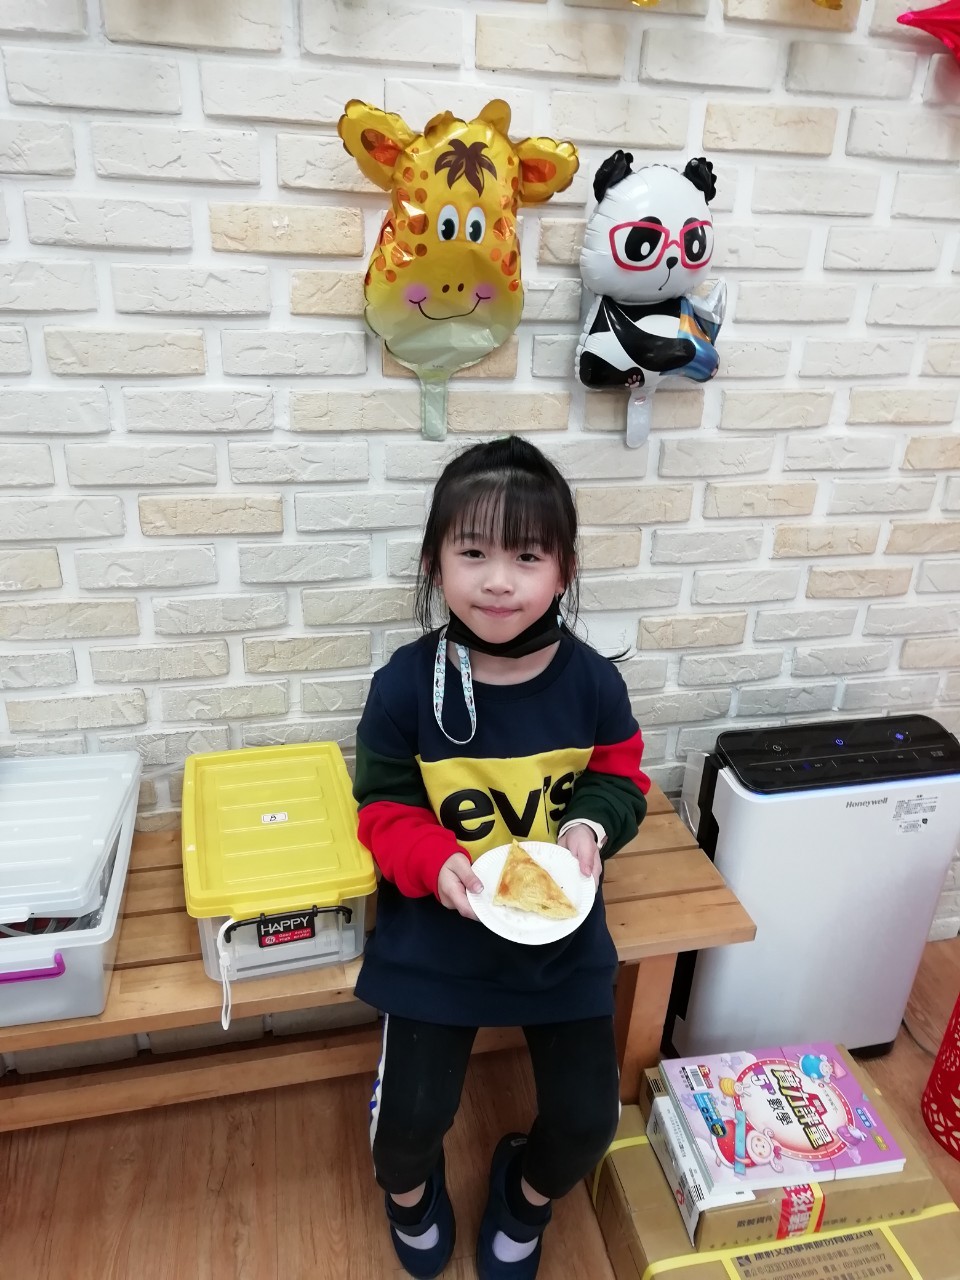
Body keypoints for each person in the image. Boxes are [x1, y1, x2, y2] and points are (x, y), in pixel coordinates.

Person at [353, 435, 650, 1279]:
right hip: (436, 928)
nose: (498, 580)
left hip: (558, 927)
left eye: (527, 556)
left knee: (590, 1122)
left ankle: (522, 1194)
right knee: (405, 1131)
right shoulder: (405, 685)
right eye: (473, 552)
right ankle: (411, 1197)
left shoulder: (593, 682)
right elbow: (381, 807)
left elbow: (620, 778)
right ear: (434, 563)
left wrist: (590, 827)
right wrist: (431, 859)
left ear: (563, 571)